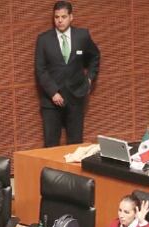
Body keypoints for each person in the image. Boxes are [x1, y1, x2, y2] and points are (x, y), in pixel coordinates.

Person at [34, 1, 101, 147]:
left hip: (76, 97)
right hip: (51, 101)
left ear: (71, 17)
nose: (59, 20)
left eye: (63, 17)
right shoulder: (43, 39)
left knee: (75, 144)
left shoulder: (82, 35)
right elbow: (40, 69)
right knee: (51, 145)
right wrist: (53, 92)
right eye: (56, 17)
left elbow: (95, 57)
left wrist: (89, 79)